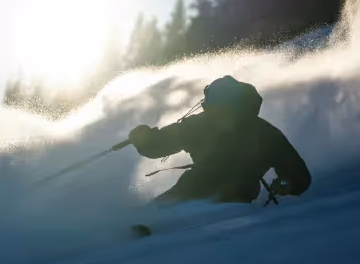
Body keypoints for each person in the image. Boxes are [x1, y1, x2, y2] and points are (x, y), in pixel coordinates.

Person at [126, 75, 311, 205]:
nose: (218, 113)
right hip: (199, 190)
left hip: (231, 198)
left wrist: (287, 184)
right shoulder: (264, 131)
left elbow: (298, 175)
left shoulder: (264, 133)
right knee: (159, 210)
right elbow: (160, 144)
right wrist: (143, 139)